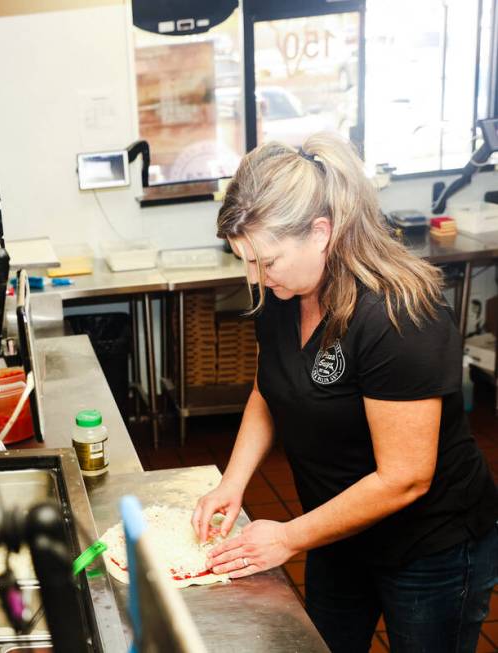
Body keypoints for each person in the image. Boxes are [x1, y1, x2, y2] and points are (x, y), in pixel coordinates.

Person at [191, 133, 498, 653]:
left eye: (267, 260)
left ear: (321, 232)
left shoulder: (398, 316)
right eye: (245, 261)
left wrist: (288, 537)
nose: (256, 278)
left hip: (429, 547)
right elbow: (272, 391)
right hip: (335, 531)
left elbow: (405, 478)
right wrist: (233, 482)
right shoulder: (282, 295)